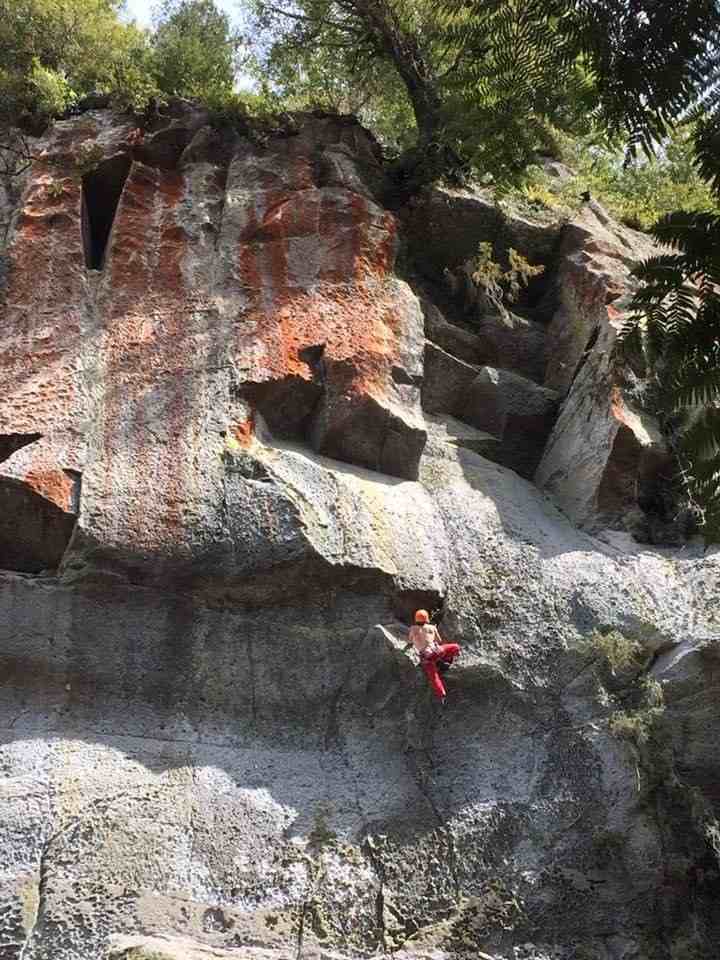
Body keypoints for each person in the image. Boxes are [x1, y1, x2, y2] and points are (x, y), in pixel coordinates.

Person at [407, 609, 461, 705]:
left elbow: (410, 641)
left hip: (426, 658)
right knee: (455, 647)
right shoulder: (432, 627)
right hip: (437, 651)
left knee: (434, 677)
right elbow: (439, 640)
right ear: (427, 618)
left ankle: (442, 694)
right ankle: (446, 662)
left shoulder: (413, 629)